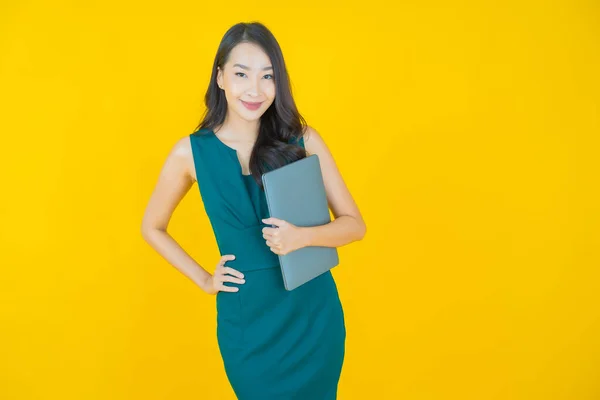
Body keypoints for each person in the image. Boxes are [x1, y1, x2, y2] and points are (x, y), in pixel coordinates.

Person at [141, 21, 366, 399]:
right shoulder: (190, 153)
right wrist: (205, 280)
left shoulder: (303, 140)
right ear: (221, 78)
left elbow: (355, 225)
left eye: (268, 76)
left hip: (312, 317)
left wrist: (302, 237)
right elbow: (152, 227)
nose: (255, 89)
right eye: (241, 74)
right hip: (248, 324)